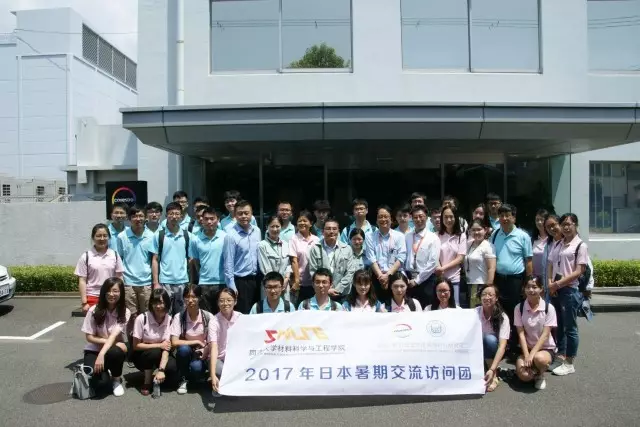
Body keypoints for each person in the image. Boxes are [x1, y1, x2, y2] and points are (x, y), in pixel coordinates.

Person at [547, 213, 588, 377]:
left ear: (575, 225)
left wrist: (557, 284)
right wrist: (550, 283)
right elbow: (550, 264)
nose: (565, 227)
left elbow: (579, 271)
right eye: (563, 224)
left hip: (569, 290)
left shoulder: (580, 246)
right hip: (555, 289)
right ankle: (560, 356)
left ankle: (570, 362)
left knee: (570, 328)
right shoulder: (558, 243)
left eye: (569, 224)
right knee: (559, 325)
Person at [491, 204, 533, 354]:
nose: (504, 218)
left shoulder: (523, 236)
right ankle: (502, 345)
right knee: (499, 312)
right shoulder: (495, 234)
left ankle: (515, 345)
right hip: (498, 279)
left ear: (514, 217)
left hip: (515, 281)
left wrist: (527, 282)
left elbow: (528, 261)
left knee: (515, 312)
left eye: (507, 215)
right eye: (501, 215)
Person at [81, 277, 130, 397]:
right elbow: (89, 337)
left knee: (116, 352)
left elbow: (113, 335)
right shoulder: (93, 310)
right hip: (93, 350)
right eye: (108, 291)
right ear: (103, 292)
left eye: (115, 291)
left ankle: (116, 380)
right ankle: (100, 370)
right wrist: (113, 344)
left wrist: (102, 354)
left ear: (121, 293)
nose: (111, 294)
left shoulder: (125, 312)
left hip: (111, 351)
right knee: (100, 383)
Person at [150, 202, 194, 316]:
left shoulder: (188, 236)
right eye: (171, 214)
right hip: (164, 282)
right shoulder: (159, 236)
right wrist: (156, 283)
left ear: (181, 216)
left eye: (177, 214)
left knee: (182, 315)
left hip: (183, 282)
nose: (174, 216)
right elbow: (155, 259)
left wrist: (191, 282)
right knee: (164, 313)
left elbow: (190, 260)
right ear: (166, 216)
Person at [116, 206, 154, 336]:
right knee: (131, 316)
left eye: (140, 216)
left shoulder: (151, 236)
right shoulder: (122, 236)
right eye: (134, 216)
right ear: (129, 218)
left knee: (146, 315)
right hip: (128, 283)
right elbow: (119, 260)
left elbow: (154, 260)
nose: (138, 219)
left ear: (145, 217)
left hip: (146, 282)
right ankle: (133, 344)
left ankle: (146, 341)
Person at [131, 288, 177, 396]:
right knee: (154, 352)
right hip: (142, 354)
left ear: (167, 303)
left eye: (161, 302)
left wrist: (161, 370)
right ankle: (147, 381)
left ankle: (158, 375)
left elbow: (167, 347)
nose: (158, 306)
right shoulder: (142, 318)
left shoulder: (170, 320)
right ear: (151, 304)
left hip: (162, 353)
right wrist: (159, 345)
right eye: (155, 302)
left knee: (172, 369)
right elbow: (136, 345)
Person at [514, 278, 557, 390]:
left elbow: (545, 335)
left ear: (541, 289)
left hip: (545, 348)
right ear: (524, 289)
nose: (531, 290)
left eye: (534, 287)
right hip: (527, 349)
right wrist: (527, 355)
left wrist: (532, 354)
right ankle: (534, 370)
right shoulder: (519, 308)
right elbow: (521, 334)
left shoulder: (549, 308)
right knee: (524, 377)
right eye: (528, 287)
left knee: (540, 359)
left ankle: (540, 375)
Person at [170, 285, 214, 395]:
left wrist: (205, 349)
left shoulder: (208, 317)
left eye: (194, 297)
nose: (190, 300)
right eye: (187, 297)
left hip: (202, 352)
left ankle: (198, 375)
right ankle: (183, 378)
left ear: (200, 298)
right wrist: (196, 341)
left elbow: (213, 341)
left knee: (196, 368)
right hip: (186, 351)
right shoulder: (179, 317)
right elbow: (174, 342)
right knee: (183, 349)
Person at [223, 200, 261, 314]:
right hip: (241, 282)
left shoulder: (257, 231)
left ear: (251, 214)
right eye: (240, 213)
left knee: (258, 314)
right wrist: (232, 286)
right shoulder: (231, 235)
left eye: (246, 213)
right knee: (244, 315)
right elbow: (228, 263)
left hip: (257, 279)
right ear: (235, 215)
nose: (244, 216)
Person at [75, 224, 124, 312]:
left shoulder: (115, 255)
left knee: (112, 321)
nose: (102, 239)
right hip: (93, 297)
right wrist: (84, 302)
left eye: (105, 236)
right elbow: (82, 280)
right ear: (93, 237)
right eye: (98, 236)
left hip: (111, 296)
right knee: (93, 321)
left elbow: (119, 278)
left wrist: (121, 297)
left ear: (109, 237)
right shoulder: (86, 256)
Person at [308, 219, 356, 304]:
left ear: (338, 231)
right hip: (321, 293)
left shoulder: (347, 249)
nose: (331, 231)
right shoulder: (315, 248)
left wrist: (338, 289)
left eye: (334, 229)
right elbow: (313, 271)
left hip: (342, 294)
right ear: (323, 232)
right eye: (328, 228)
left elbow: (350, 272)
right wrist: (327, 289)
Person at [366, 205, 407, 302]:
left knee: (395, 305)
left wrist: (388, 275)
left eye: (386, 216)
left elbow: (401, 257)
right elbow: (371, 258)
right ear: (376, 220)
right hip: (377, 277)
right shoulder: (369, 236)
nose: (383, 219)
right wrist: (381, 276)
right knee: (377, 306)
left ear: (391, 219)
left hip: (395, 276)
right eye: (380, 217)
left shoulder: (399, 236)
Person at [190, 207, 227, 313]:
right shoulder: (195, 239)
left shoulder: (225, 237)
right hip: (204, 283)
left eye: (212, 218)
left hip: (222, 282)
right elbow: (196, 262)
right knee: (206, 315)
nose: (209, 222)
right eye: (206, 219)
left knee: (222, 315)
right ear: (202, 220)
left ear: (218, 220)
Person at [405, 205, 440, 308]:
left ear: (426, 217)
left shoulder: (433, 238)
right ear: (411, 219)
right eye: (415, 217)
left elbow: (432, 263)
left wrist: (417, 280)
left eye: (421, 216)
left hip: (426, 280)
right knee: (410, 310)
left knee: (426, 310)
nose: (418, 219)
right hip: (409, 279)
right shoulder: (407, 236)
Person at [209, 288, 243, 397]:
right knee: (221, 369)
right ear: (218, 303)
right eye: (222, 300)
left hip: (236, 356)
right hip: (219, 357)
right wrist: (212, 375)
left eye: (229, 300)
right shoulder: (213, 321)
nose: (225, 303)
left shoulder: (241, 317)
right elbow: (214, 347)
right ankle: (217, 382)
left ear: (235, 301)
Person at [476, 284, 509, 392]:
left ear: (496, 298)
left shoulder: (503, 317)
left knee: (489, 339)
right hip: (476, 349)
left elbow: (502, 346)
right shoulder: (474, 312)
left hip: (493, 350)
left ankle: (493, 374)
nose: (487, 297)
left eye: (490, 295)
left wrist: (492, 369)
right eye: (484, 294)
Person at [437, 206, 467, 307]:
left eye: (451, 216)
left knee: (455, 307)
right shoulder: (436, 235)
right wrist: (439, 270)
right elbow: (434, 256)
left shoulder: (461, 236)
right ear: (442, 219)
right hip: (439, 279)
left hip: (454, 278)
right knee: (440, 307)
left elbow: (460, 258)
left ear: (456, 218)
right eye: (445, 217)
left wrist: (443, 268)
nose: (448, 220)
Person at [289, 210, 320, 304]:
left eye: (305, 221)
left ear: (311, 223)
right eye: (300, 221)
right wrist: (297, 281)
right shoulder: (293, 239)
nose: (302, 223)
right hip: (300, 284)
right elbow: (293, 260)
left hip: (314, 283)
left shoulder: (316, 240)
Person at [258, 216, 292, 301]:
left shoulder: (285, 244)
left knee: (285, 307)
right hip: (270, 286)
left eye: (277, 226)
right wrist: (277, 284)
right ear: (267, 227)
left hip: (284, 285)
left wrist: (286, 279)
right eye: (272, 226)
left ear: (281, 227)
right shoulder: (262, 245)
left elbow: (288, 264)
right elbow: (266, 269)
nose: (275, 229)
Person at [465, 219, 496, 307]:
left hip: (481, 284)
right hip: (469, 283)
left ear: (485, 230)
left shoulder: (488, 246)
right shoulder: (469, 244)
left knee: (479, 310)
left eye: (479, 229)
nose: (476, 232)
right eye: (473, 230)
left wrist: (488, 287)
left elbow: (491, 268)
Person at [532, 208, 550, 280]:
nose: (539, 222)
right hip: (535, 279)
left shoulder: (553, 239)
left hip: (549, 278)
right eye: (537, 220)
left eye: (542, 220)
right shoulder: (532, 240)